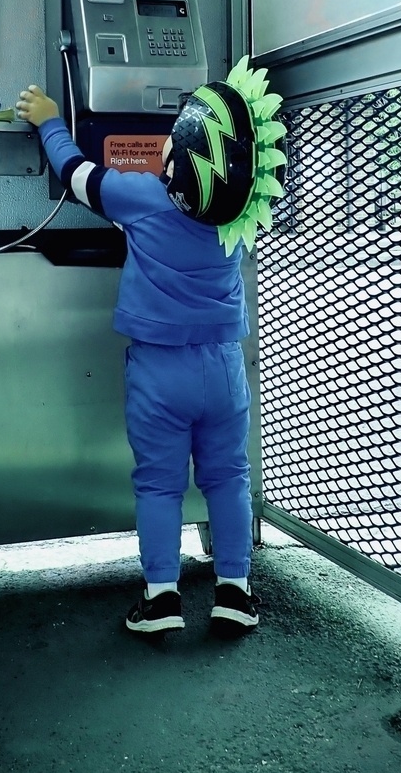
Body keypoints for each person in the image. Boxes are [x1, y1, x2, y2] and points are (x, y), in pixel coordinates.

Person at [15, 57, 285, 638]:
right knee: (229, 476)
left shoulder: (140, 197)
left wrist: (48, 119)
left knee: (160, 483)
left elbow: (74, 172)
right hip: (224, 368)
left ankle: (161, 597)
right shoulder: (240, 213)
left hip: (160, 372)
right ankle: (234, 591)